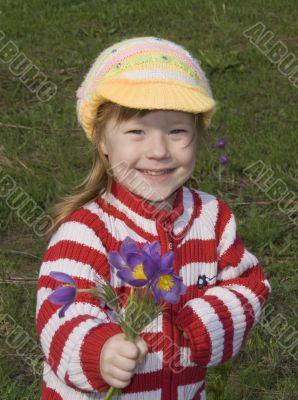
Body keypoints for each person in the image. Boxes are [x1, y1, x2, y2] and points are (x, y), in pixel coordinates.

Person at [36, 36, 271, 400]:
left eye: (177, 131)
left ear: (197, 135)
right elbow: (58, 313)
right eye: (136, 131)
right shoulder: (86, 231)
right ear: (101, 139)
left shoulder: (213, 218)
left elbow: (249, 284)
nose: (158, 151)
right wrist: (98, 352)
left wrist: (207, 320)